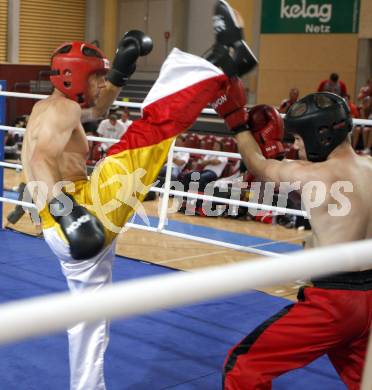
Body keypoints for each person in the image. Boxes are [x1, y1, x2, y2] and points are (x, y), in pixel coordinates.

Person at [21, 1, 258, 389]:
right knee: (150, 133)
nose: (100, 84)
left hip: (66, 220)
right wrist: (68, 213)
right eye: (96, 76)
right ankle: (219, 59)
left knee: (88, 322)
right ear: (73, 77)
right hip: (79, 211)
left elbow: (96, 109)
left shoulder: (51, 107)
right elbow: (41, 159)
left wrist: (119, 70)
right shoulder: (61, 111)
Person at [212, 75, 372, 388]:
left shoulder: (314, 174)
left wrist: (237, 123)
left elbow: (257, 165)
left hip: (335, 303)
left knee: (241, 367)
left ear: (319, 136)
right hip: (369, 299)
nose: (295, 147)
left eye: (298, 139)